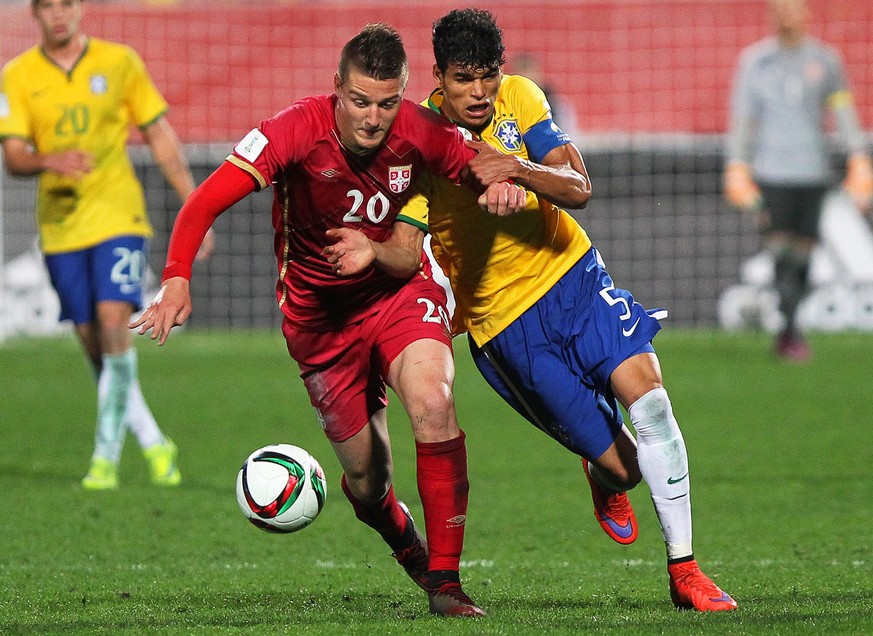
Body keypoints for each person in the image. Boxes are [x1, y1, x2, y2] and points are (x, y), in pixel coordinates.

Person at [335, 9, 737, 612]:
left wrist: (517, 170)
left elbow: (577, 184)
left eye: (488, 78)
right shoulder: (416, 144)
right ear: (439, 77)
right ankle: (605, 478)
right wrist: (370, 249)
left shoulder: (521, 97)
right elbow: (408, 245)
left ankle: (685, 569)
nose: (479, 93)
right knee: (625, 469)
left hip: (574, 276)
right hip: (507, 329)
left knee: (650, 398)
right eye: (464, 79)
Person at [130, 23, 525, 618]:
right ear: (336, 88)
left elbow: (484, 165)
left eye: (388, 103)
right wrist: (177, 276)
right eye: (360, 101)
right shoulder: (293, 131)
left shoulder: (421, 131)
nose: (373, 118)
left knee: (433, 400)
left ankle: (445, 582)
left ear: (404, 95)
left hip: (397, 292)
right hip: (319, 325)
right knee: (369, 483)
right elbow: (204, 201)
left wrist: (505, 184)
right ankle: (406, 544)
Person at [0, 0, 212, 490]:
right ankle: (156, 441)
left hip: (119, 215)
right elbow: (13, 156)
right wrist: (51, 160)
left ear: (80, 9)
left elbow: (158, 133)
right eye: (48, 6)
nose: (59, 14)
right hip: (61, 227)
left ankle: (105, 458)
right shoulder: (18, 74)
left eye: (66, 4)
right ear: (36, 13)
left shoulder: (120, 63)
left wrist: (194, 206)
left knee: (116, 321)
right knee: (94, 344)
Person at [724, 0, 873, 361]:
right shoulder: (755, 63)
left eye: (793, 8)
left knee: (804, 255)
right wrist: (737, 166)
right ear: (771, 15)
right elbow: (744, 119)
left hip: (812, 172)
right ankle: (791, 331)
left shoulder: (825, 62)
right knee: (779, 249)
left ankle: (790, 327)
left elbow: (843, 111)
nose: (786, 15)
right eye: (780, 9)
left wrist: (859, 158)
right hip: (771, 172)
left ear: (806, 14)